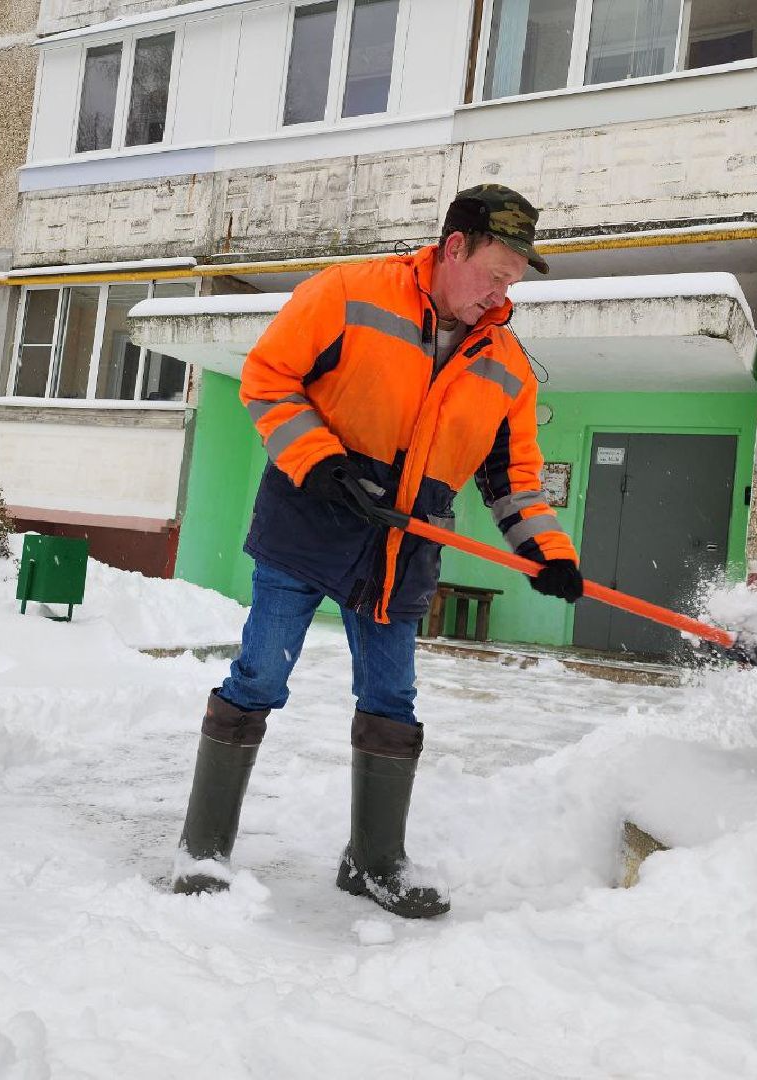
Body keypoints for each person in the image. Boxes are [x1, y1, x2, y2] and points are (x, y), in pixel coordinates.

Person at [171, 184, 583, 918]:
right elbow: (269, 378)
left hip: (405, 540)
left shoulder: (507, 366)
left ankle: (372, 862)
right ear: (454, 246)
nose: (500, 294)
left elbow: (514, 481)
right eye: (494, 273)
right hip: (310, 517)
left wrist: (549, 554)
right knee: (260, 673)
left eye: (513, 282)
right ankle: (202, 849)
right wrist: (322, 462)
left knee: (392, 696)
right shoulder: (351, 294)